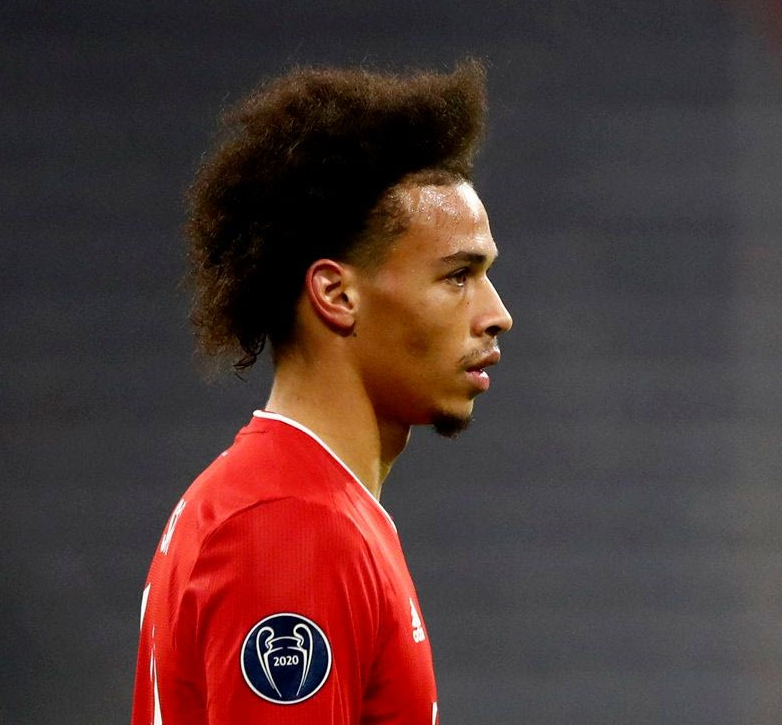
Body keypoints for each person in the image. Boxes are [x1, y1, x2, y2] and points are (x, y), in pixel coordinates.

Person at [131, 60, 512, 725]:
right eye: (457, 276)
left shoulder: (299, 505)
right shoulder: (288, 530)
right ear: (336, 294)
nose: (496, 314)